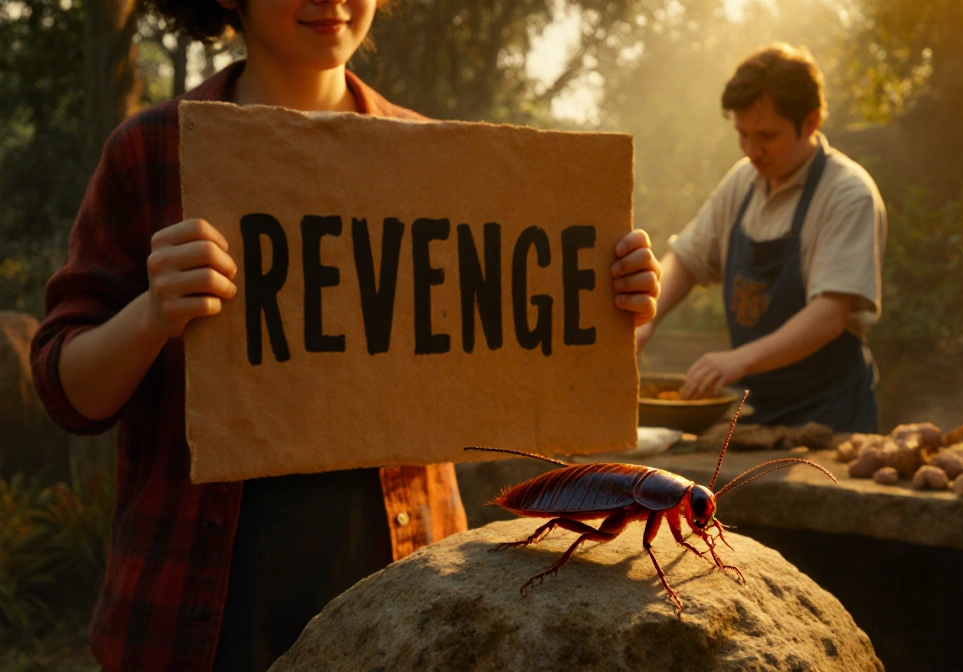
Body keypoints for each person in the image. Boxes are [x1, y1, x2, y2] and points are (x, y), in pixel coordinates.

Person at [29, 1, 662, 670]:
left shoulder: (440, 156)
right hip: (202, 613)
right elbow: (68, 392)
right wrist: (152, 313)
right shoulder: (149, 151)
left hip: (404, 597)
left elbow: (505, 357)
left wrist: (606, 300)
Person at [636, 43, 885, 433]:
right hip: (753, 411)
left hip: (829, 414)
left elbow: (830, 314)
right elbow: (686, 258)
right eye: (742, 134)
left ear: (811, 121)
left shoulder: (848, 193)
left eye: (766, 135)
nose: (752, 150)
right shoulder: (743, 181)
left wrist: (737, 361)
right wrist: (646, 316)